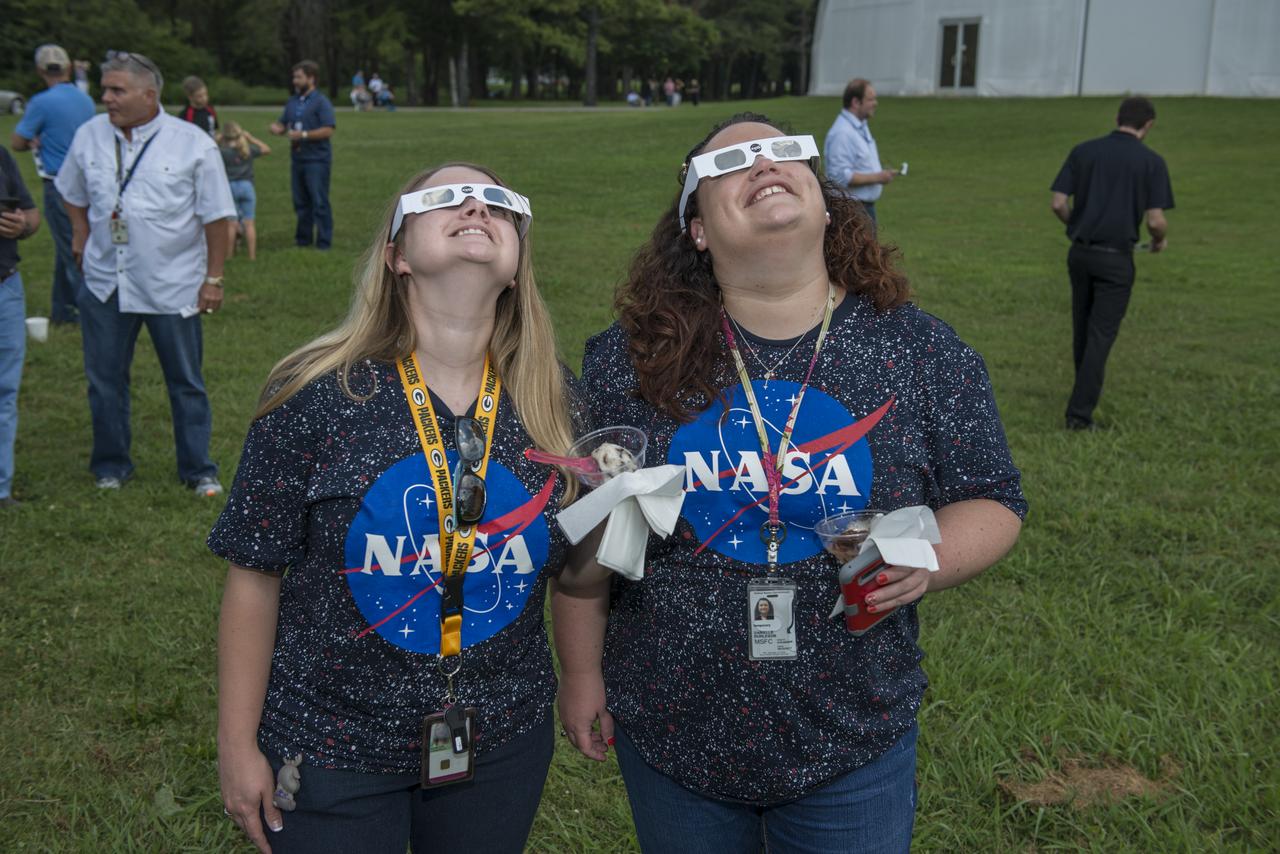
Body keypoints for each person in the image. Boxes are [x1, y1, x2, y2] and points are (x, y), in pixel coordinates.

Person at [554, 113, 1026, 852]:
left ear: (823, 195)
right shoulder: (629, 359)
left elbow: (994, 495)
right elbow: (593, 544)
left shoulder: (919, 348)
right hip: (673, 730)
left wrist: (925, 559)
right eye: (734, 161)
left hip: (853, 733)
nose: (764, 163)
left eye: (783, 151)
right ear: (698, 229)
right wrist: (581, 673)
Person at [211, 162, 583, 854]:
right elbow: (254, 575)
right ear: (397, 255)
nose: (476, 205)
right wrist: (236, 744)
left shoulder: (554, 402)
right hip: (330, 740)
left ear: (516, 263)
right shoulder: (315, 393)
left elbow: (574, 572)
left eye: (499, 203)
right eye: (445, 198)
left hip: (497, 739)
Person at [56, 51, 235, 495]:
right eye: (105, 90)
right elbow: (70, 191)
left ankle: (198, 469)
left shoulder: (192, 143)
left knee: (186, 382)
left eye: (117, 90)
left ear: (149, 94)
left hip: (171, 285)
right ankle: (111, 465)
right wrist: (80, 234)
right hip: (104, 282)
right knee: (104, 381)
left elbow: (217, 219)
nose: (106, 98)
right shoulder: (89, 136)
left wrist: (213, 279)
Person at [1050, 96, 1173, 431]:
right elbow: (1156, 221)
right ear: (1148, 125)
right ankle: (1079, 415)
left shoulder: (1084, 151)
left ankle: (1081, 392)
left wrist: (1076, 225)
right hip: (1117, 259)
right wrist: (1160, 240)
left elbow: (1058, 202)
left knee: (1082, 326)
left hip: (1080, 253)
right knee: (1101, 334)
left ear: (1118, 117)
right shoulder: (1151, 162)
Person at [10, 43, 96, 327]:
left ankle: (88, 312)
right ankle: (62, 311)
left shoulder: (41, 102)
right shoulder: (85, 100)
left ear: (40, 70)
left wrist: (34, 139)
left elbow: (16, 141)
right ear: (69, 67)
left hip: (58, 182)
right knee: (67, 247)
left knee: (72, 249)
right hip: (86, 181)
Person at [0, 146, 41, 509]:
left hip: (6, 287)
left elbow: (31, 213)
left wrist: (22, 224)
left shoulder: (1, 156)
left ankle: (0, 488)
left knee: (4, 390)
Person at [270, 60, 336, 250]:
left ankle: (323, 243)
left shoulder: (321, 102)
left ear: (311, 78)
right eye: (294, 77)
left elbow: (328, 130)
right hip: (297, 159)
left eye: (299, 77)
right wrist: (277, 128)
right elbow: (284, 124)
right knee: (300, 202)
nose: (295, 81)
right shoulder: (292, 101)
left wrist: (304, 135)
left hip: (317, 160)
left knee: (319, 201)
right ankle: (303, 240)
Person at [823, 78, 898, 227]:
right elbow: (838, 176)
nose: (875, 103)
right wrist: (878, 177)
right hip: (852, 211)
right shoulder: (842, 133)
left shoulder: (858, 126)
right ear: (856, 102)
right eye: (871, 99)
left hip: (862, 209)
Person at [217, 121, 271, 260]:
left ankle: (229, 255)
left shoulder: (222, 152)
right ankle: (252, 256)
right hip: (247, 187)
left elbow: (205, 151)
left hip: (230, 188)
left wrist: (216, 139)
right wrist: (251, 138)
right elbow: (266, 149)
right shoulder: (247, 150)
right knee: (249, 223)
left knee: (231, 224)